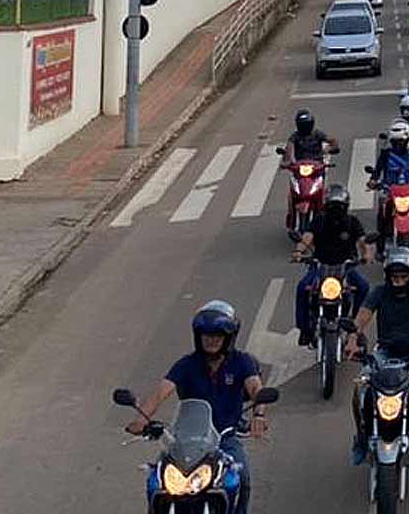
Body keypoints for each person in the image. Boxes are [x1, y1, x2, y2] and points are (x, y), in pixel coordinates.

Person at [125, 301, 267, 514]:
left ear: (228, 337)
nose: (211, 340)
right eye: (206, 335)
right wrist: (141, 419)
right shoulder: (186, 365)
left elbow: (256, 388)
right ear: (198, 336)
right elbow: (160, 393)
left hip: (225, 439)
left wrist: (259, 414)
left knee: (242, 477)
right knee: (157, 481)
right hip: (186, 443)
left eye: (217, 335)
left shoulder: (242, 362)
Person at [346, 251, 409, 464]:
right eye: (394, 277)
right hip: (384, 353)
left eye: (403, 277)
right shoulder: (379, 292)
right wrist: (352, 340)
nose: (398, 281)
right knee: (360, 390)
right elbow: (363, 316)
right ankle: (362, 438)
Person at [292, 185, 372, 346]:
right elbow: (308, 236)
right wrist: (299, 251)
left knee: (363, 287)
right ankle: (304, 329)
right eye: (332, 206)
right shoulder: (319, 220)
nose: (336, 211)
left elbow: (363, 241)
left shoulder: (352, 222)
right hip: (320, 266)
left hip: (346, 267)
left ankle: (356, 328)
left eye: (339, 207)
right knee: (302, 288)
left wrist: (366, 255)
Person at [369, 120, 409, 260]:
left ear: (408, 140)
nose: (398, 145)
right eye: (395, 142)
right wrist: (373, 180)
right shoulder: (386, 154)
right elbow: (377, 170)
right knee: (383, 216)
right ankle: (380, 249)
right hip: (390, 190)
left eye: (401, 142)